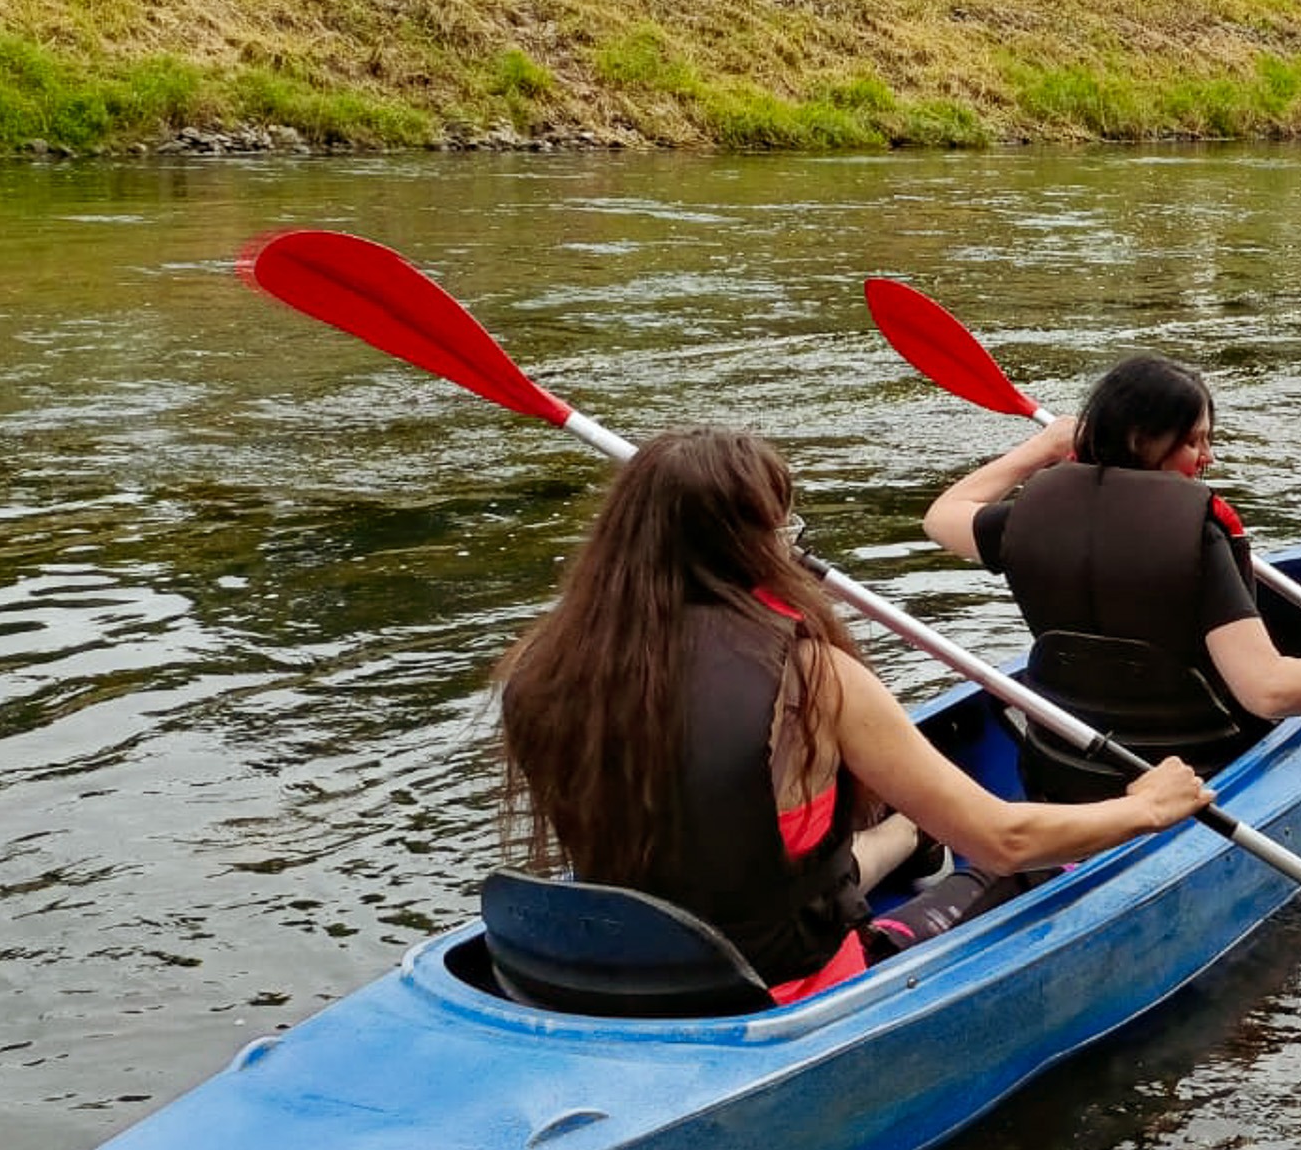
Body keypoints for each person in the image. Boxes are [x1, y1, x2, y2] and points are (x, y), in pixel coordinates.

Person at [496, 426, 1210, 1005]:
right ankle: (919, 849)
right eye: (783, 525)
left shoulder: (544, 668)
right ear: (753, 541)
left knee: (827, 842)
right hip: (773, 992)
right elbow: (1004, 841)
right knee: (1026, 873)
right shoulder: (810, 674)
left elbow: (723, 857)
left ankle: (913, 837)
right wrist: (1148, 806)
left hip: (609, 972)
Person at [922, 354, 1301, 783]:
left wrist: (1042, 448)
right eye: (1193, 441)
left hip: (1061, 766)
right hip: (1188, 774)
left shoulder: (1032, 515)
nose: (1207, 457)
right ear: (1140, 440)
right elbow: (1267, 690)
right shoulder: (1195, 537)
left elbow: (942, 517)